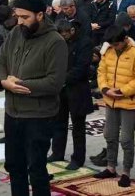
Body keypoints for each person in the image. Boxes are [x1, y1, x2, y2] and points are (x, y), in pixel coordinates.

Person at [0, 0, 67, 196]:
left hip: (38, 117)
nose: (20, 22)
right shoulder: (17, 32)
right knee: (14, 166)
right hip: (13, 113)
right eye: (18, 16)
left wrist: (22, 85)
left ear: (40, 15)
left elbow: (55, 82)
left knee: (36, 169)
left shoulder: (55, 42)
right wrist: (3, 81)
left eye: (25, 17)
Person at [93, 27, 135, 187]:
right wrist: (105, 88)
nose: (115, 47)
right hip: (111, 99)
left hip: (128, 101)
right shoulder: (107, 50)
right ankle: (111, 167)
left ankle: (126, 172)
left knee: (126, 139)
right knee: (110, 135)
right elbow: (101, 71)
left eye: (117, 44)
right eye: (112, 44)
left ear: (125, 40)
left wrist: (122, 91)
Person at [49, 19, 93, 171]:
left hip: (77, 89)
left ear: (71, 31)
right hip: (61, 90)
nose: (62, 37)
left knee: (78, 127)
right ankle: (57, 152)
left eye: (64, 34)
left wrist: (63, 79)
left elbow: (82, 67)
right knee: (58, 122)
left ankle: (78, 158)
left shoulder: (84, 42)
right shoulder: (59, 42)